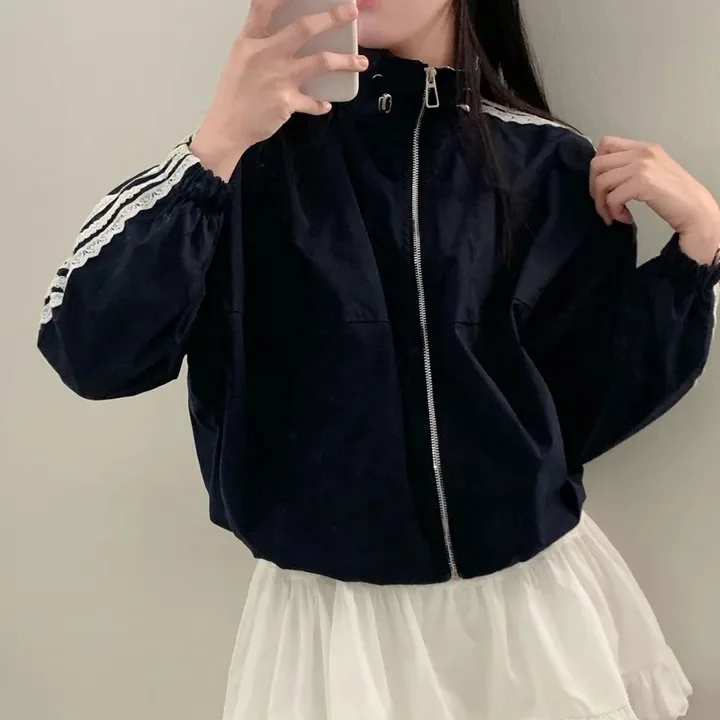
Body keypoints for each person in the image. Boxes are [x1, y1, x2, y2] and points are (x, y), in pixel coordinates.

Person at [38, 0, 720, 718]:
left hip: (531, 610)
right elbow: (96, 355)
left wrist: (699, 250)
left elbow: (580, 410)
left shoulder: (551, 164)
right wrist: (216, 142)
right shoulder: (239, 167)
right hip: (336, 632)